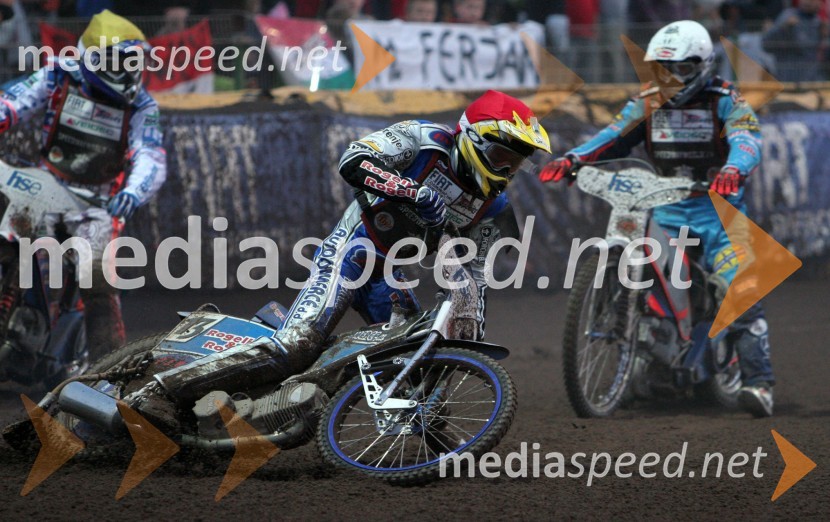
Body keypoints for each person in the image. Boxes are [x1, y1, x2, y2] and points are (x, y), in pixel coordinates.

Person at [130, 90, 551, 429]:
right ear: (473, 138)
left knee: (415, 355)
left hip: (391, 274)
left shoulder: (494, 208)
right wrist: (409, 190)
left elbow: (476, 273)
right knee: (294, 347)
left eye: (516, 164)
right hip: (351, 251)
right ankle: (160, 392)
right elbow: (353, 159)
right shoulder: (423, 138)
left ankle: (299, 404)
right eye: (502, 158)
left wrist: (470, 321)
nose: (507, 171)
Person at [539, 20, 775, 417]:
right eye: (661, 69)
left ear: (702, 65)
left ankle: (759, 384)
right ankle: (641, 369)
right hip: (663, 206)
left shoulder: (726, 100)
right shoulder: (647, 101)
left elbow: (747, 140)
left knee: (741, 292)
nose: (668, 78)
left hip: (719, 211)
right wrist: (573, 159)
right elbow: (612, 136)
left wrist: (736, 167)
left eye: (678, 69)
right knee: (645, 280)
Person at [0, 10, 166, 360]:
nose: (130, 71)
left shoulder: (141, 106)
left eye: (135, 61)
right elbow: (14, 100)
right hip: (44, 182)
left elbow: (150, 155)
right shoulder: (60, 74)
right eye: (122, 61)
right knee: (8, 233)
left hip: (98, 203)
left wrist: (132, 192)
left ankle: (108, 370)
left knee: (98, 286)